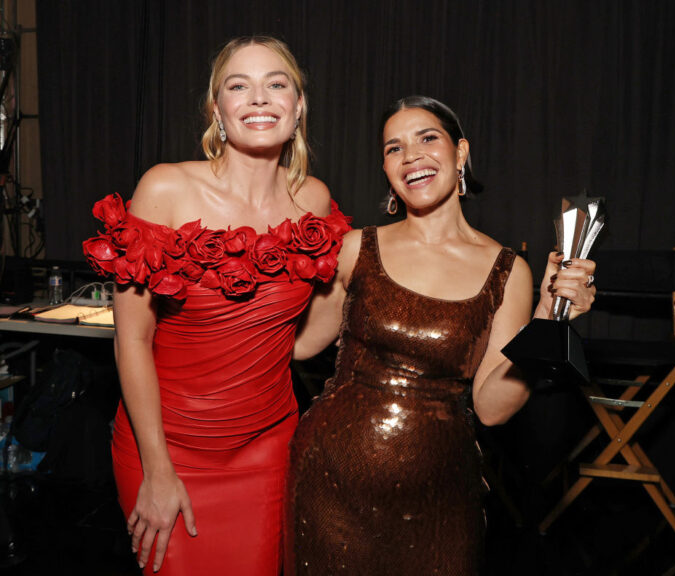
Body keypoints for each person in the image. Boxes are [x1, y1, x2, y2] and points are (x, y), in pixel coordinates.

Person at [285, 95, 596, 574]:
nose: (410, 155)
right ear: (386, 168)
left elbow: (492, 409)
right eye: (393, 147)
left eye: (427, 138)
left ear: (461, 152)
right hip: (331, 482)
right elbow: (300, 345)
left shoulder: (507, 271)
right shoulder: (355, 248)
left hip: (442, 494)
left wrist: (549, 319)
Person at [83, 36, 350, 575]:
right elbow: (132, 339)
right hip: (165, 447)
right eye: (239, 86)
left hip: (268, 450)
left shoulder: (314, 201)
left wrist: (368, 271)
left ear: (298, 109)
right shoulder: (165, 188)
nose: (259, 98)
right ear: (216, 109)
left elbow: (299, 347)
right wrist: (158, 472)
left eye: (277, 85)